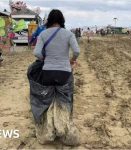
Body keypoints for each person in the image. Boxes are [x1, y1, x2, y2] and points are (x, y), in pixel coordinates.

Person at [32, 9, 80, 145]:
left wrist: (45, 58)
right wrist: (72, 60)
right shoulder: (69, 34)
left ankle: (48, 130)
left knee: (48, 101)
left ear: (49, 21)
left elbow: (36, 53)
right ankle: (64, 130)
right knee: (65, 101)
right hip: (64, 73)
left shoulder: (43, 34)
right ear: (61, 20)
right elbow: (77, 50)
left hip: (47, 72)